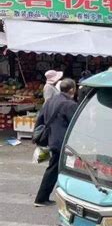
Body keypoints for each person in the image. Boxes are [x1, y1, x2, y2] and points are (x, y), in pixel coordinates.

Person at [34, 78, 78, 207]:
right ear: (72, 90)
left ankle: (43, 197)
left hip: (53, 140)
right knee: (60, 169)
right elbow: (75, 124)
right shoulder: (69, 104)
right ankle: (42, 198)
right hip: (63, 142)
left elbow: (40, 119)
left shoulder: (50, 101)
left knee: (55, 168)